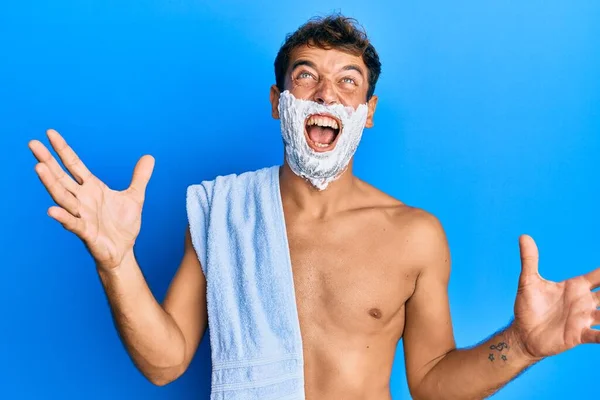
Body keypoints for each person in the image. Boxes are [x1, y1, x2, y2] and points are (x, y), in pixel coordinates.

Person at [28, 14, 599, 400]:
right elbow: (166, 362)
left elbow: (430, 383)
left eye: (348, 82)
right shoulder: (224, 212)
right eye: (307, 77)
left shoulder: (415, 235)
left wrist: (522, 345)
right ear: (280, 104)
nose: (327, 94)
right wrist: (116, 262)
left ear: (368, 111)